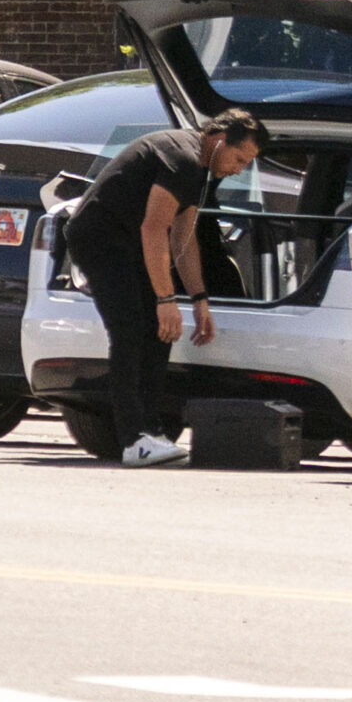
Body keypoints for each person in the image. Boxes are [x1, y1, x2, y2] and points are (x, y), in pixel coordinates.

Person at [62, 105, 266, 468]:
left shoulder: (201, 170)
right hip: (99, 237)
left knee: (161, 332)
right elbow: (154, 229)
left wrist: (199, 299)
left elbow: (182, 239)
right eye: (239, 158)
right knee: (129, 330)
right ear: (218, 140)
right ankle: (133, 439)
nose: (239, 169)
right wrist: (165, 297)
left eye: (247, 163)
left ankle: (151, 431)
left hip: (130, 241)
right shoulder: (183, 159)